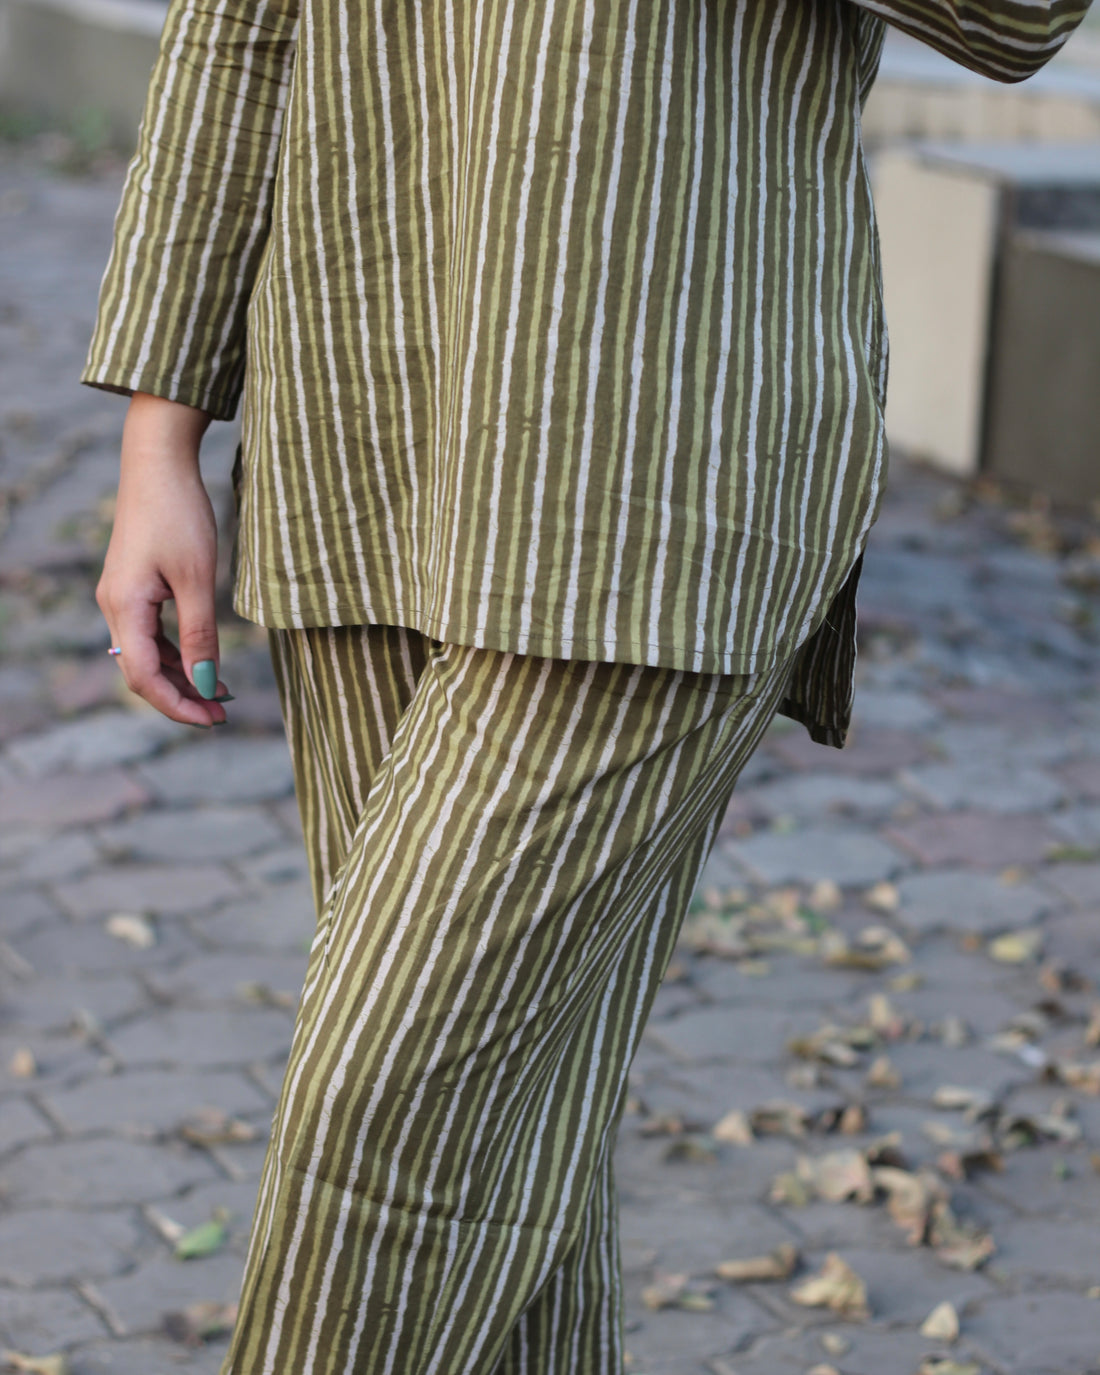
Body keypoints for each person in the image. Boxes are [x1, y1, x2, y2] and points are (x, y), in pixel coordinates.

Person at [84, 1, 1092, 1370]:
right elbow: (242, 29)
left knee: (383, 1128)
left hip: (658, 479)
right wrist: (160, 436)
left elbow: (1019, 19)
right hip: (365, 436)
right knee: (499, 1155)